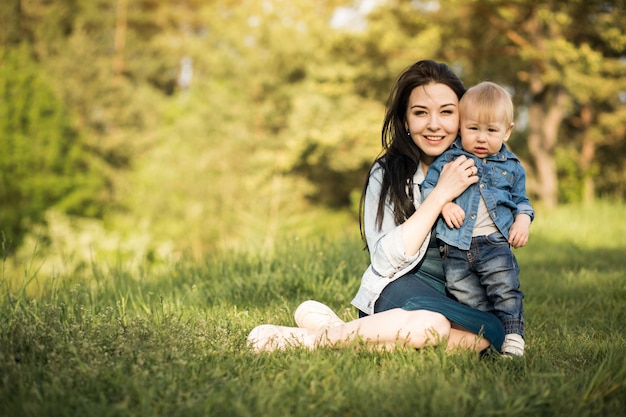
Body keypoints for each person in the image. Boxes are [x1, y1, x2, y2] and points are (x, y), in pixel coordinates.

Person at [247, 60, 506, 354]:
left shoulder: (483, 169)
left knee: (486, 338)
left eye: (447, 112)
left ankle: (336, 333)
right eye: (421, 113)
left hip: (458, 298)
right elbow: (383, 262)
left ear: (462, 117)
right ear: (406, 121)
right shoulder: (388, 173)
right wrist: (439, 196)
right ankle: (308, 342)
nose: (434, 124)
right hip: (399, 287)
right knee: (431, 326)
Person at [421, 81, 534, 356]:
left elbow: (522, 202)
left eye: (491, 131)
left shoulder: (512, 167)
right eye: (473, 129)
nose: (481, 138)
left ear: (507, 131)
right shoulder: (450, 159)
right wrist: (444, 205)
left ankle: (512, 335)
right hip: (455, 246)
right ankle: (488, 335)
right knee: (465, 293)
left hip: (494, 243)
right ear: (461, 127)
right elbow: (429, 189)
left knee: (504, 287)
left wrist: (522, 222)